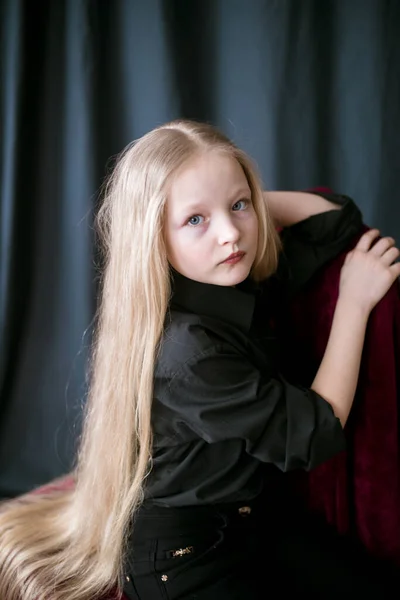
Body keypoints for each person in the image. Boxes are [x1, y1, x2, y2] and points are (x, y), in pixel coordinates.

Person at [0, 119, 399, 600]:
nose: (230, 233)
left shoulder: (226, 274)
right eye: (195, 221)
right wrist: (353, 305)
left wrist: (227, 194)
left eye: (239, 206)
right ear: (152, 237)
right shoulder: (189, 352)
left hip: (256, 522)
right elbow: (313, 432)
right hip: (185, 557)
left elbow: (337, 221)